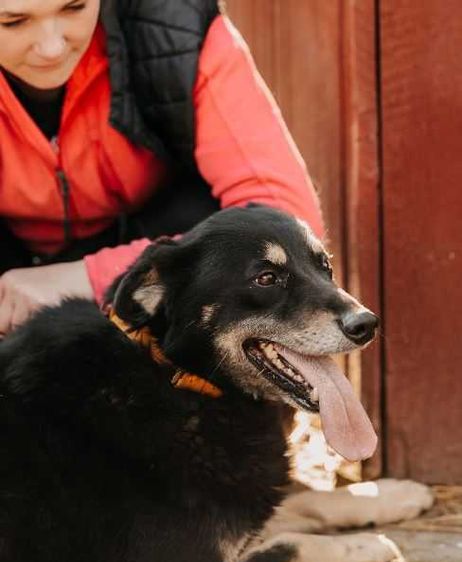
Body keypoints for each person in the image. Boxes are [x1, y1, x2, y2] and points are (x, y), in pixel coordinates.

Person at [0, 0, 324, 336]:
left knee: (222, 222)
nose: (52, 47)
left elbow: (286, 220)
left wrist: (88, 277)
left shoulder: (174, 25)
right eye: (13, 22)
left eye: (75, 7)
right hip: (8, 265)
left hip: (145, 251)